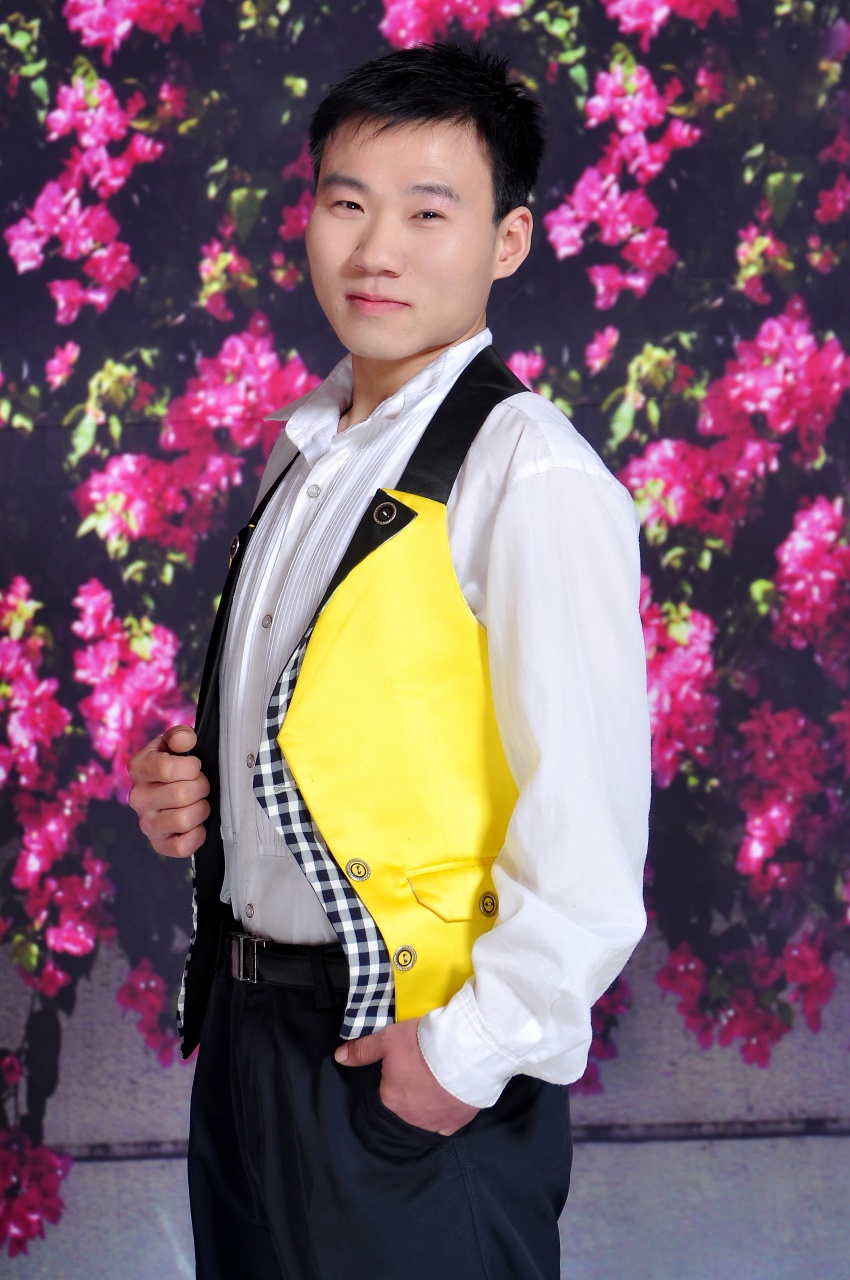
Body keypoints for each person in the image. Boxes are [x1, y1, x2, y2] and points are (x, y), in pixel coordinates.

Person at [128, 42, 650, 1280]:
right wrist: (189, 786)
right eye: (348, 202)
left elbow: (586, 831)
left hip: (405, 1056)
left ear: (508, 241)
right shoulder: (306, 449)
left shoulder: (530, 471)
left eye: (428, 212)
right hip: (250, 1039)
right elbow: (335, 717)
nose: (377, 250)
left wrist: (466, 1056)